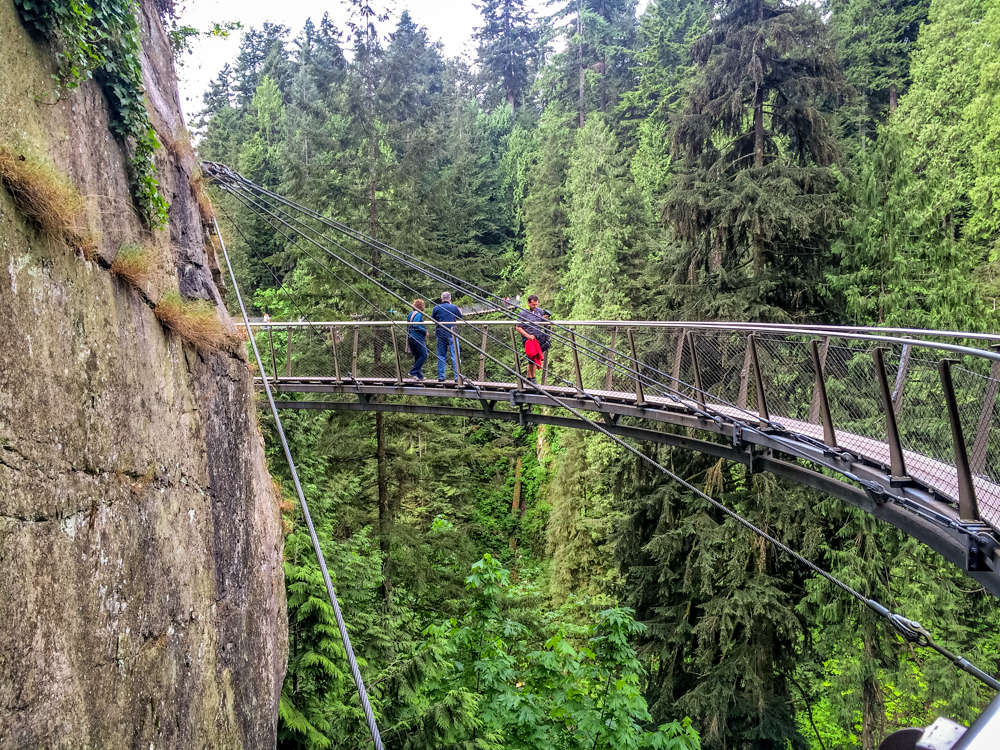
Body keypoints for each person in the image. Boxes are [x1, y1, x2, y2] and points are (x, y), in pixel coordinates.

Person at [431, 291, 463, 382]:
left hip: (440, 333)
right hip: (452, 333)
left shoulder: (436, 308)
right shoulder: (453, 307)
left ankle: (441, 376)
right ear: (450, 299)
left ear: (441, 299)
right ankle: (457, 377)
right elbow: (459, 317)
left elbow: (433, 319)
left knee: (441, 355)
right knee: (455, 355)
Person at [516, 294, 546, 384]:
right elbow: (518, 327)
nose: (535, 306)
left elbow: (542, 322)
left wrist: (545, 319)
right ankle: (530, 378)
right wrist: (528, 336)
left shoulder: (539, 311)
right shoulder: (523, 313)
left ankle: (532, 378)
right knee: (531, 358)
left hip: (537, 338)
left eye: (536, 304)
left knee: (535, 358)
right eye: (533, 304)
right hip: (528, 340)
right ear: (528, 303)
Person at [406, 299, 427, 380]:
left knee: (418, 356)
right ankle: (413, 372)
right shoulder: (418, 314)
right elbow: (415, 325)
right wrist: (425, 332)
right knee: (424, 355)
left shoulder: (411, 314)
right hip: (417, 337)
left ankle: (419, 375)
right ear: (421, 306)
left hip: (411, 337)